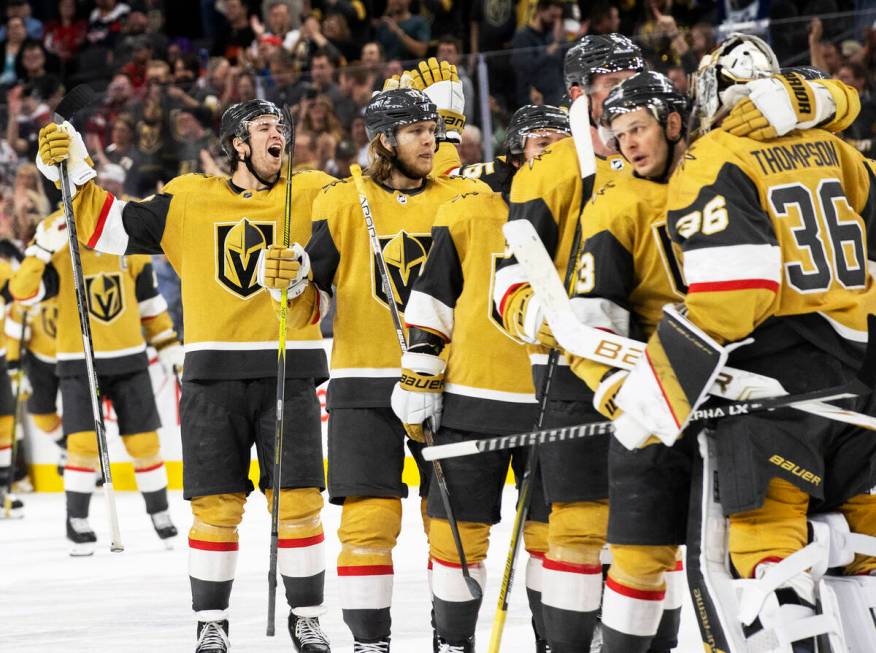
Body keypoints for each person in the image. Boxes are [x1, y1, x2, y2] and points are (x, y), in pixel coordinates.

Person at [34, 99, 333, 652]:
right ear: (239, 144)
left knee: (298, 502)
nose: (280, 136)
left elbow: (364, 237)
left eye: (282, 128)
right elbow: (107, 227)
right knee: (215, 507)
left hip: (288, 371)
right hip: (211, 378)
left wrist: (308, 273)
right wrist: (73, 172)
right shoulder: (189, 197)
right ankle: (211, 624)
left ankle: (307, 614)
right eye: (265, 129)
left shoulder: (314, 190)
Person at [614, 34, 876, 651]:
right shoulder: (838, 151)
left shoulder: (716, 156)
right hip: (862, 381)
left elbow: (736, 291)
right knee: (865, 551)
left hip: (770, 386)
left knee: (768, 549)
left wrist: (657, 393)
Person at [257, 85, 487, 652]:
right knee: (367, 526)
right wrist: (290, 282)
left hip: (445, 382)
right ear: (384, 141)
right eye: (415, 131)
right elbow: (311, 306)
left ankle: (453, 642)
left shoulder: (458, 200)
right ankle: (369, 644)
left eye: (433, 129)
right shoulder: (340, 200)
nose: (429, 140)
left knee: (456, 529)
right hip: (363, 383)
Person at [397, 104, 570, 652]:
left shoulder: (594, 208)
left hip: (559, 399)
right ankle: (452, 643)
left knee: (556, 538)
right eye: (542, 141)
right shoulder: (470, 208)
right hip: (473, 399)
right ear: (517, 150)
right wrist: (420, 376)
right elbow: (432, 298)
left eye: (563, 140)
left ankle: (558, 642)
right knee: (457, 536)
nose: (553, 150)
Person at [9, 208, 180, 556]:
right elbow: (22, 293)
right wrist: (41, 249)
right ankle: (77, 520)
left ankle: (160, 513)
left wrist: (167, 345)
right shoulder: (60, 253)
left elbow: (149, 304)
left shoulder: (128, 249)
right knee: (84, 446)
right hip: (77, 362)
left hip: (129, 359)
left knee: (144, 443)